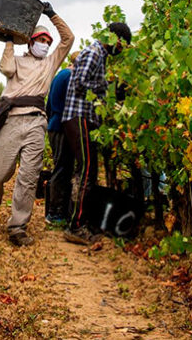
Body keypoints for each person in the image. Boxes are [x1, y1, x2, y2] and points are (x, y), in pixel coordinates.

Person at [0, 2, 74, 246]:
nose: (44, 44)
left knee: (29, 176)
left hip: (36, 122)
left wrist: (52, 14)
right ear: (30, 41)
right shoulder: (17, 61)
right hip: (11, 121)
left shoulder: (50, 63)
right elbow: (5, 68)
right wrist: (10, 41)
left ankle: (17, 227)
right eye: (40, 39)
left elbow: (69, 38)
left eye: (47, 41)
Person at [62, 22, 131, 245]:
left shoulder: (99, 56)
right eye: (122, 45)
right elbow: (81, 83)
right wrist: (107, 85)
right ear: (115, 38)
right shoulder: (93, 53)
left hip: (83, 117)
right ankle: (75, 227)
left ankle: (79, 221)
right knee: (87, 171)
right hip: (79, 117)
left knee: (87, 171)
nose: (120, 51)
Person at [44, 52, 77, 225]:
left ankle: (57, 211)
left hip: (55, 125)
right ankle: (54, 214)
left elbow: (49, 105)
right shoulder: (70, 76)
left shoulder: (60, 75)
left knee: (61, 167)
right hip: (63, 127)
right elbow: (70, 107)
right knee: (62, 169)